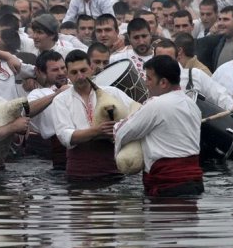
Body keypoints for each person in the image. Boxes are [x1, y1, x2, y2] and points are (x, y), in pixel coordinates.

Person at [115, 55, 203, 197]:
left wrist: (117, 125)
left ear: (163, 82)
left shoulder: (156, 104)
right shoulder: (192, 104)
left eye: (149, 78)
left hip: (167, 185)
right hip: (195, 182)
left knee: (161, 219)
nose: (146, 82)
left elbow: (124, 132)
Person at [52, 50, 133, 180]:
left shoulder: (112, 92)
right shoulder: (60, 100)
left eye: (83, 70)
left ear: (91, 68)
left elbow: (135, 115)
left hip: (113, 166)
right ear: (67, 74)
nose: (80, 76)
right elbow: (65, 136)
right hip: (79, 170)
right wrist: (96, 131)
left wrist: (118, 128)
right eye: (74, 72)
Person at [26, 51, 70, 169]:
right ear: (41, 72)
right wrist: (56, 94)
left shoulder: (75, 85)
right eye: (55, 70)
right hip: (56, 149)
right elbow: (26, 110)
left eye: (63, 68)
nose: (61, 73)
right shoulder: (38, 93)